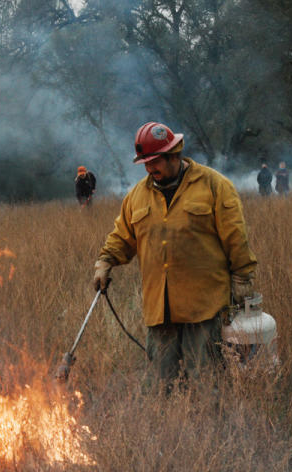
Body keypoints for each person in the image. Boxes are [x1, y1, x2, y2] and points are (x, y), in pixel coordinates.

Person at [92, 121, 258, 389]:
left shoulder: (214, 186)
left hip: (204, 306)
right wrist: (105, 261)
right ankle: (167, 429)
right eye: (145, 163)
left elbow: (235, 237)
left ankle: (209, 429)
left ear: (175, 153)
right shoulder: (136, 197)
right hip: (160, 309)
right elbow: (122, 236)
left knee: (207, 383)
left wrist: (242, 277)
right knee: (160, 386)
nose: (149, 169)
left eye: (155, 161)